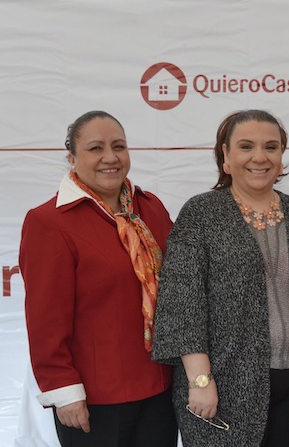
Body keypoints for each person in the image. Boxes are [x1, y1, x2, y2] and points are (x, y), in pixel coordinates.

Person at [151, 110, 289, 446]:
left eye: (271, 147)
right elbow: (182, 303)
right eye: (246, 146)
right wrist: (200, 380)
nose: (260, 157)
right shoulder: (201, 214)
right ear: (225, 157)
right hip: (221, 390)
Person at [18, 111, 178, 446]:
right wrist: (62, 389)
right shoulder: (49, 222)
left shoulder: (150, 209)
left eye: (118, 146)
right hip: (94, 399)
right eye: (95, 148)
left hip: (160, 388)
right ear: (72, 158)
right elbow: (46, 319)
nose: (110, 157)